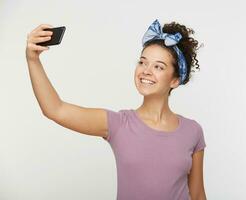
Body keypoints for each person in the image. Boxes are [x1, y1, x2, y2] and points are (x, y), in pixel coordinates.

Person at [26, 19, 207, 200]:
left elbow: (198, 195)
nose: (146, 70)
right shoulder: (119, 124)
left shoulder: (192, 131)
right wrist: (32, 59)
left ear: (175, 80)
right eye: (142, 62)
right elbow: (55, 109)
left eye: (158, 66)